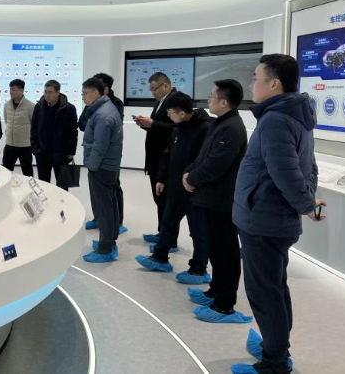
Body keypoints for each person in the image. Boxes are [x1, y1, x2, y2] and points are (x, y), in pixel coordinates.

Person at [230, 55, 326, 374]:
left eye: (256, 78)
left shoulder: (276, 119)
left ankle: (274, 362)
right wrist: (306, 203)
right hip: (272, 218)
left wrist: (306, 206)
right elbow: (308, 166)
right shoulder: (295, 114)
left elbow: (287, 173)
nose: (252, 85)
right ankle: (277, 348)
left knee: (265, 293)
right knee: (274, 287)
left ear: (273, 84)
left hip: (264, 221)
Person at [183, 79, 251, 324]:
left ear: (224, 102)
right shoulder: (219, 123)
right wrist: (188, 172)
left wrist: (192, 179)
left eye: (212, 96)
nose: (208, 100)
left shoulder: (231, 128)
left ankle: (224, 305)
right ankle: (215, 291)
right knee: (215, 249)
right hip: (209, 198)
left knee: (225, 252)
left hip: (221, 201)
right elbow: (203, 156)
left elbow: (215, 165)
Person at [135, 92, 211, 284]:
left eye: (170, 112)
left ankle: (199, 270)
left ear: (182, 113)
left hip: (194, 189)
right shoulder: (178, 128)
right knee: (168, 221)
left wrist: (192, 180)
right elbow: (168, 154)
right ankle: (160, 257)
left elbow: (203, 161)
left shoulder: (204, 129)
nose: (168, 116)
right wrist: (161, 177)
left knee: (198, 231)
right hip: (175, 186)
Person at [81, 77, 124, 263]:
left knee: (105, 208)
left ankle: (105, 248)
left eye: (85, 93)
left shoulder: (102, 115)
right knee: (110, 205)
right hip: (108, 166)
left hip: (101, 167)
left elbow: (100, 146)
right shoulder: (106, 108)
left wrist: (91, 166)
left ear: (95, 93)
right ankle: (109, 242)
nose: (82, 97)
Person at [134, 72, 176, 244]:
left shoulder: (174, 100)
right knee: (160, 200)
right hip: (155, 158)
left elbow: (175, 128)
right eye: (151, 89)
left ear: (165, 85)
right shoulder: (161, 101)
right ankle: (162, 234)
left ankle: (169, 240)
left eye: (154, 89)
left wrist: (152, 123)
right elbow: (159, 128)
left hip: (165, 159)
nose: (152, 92)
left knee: (165, 201)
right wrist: (146, 124)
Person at [30, 80, 78, 190]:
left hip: (61, 153)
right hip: (42, 153)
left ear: (58, 92)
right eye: (45, 92)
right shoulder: (39, 107)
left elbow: (73, 131)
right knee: (43, 184)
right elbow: (34, 128)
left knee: (62, 186)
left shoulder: (69, 108)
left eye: (50, 92)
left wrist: (71, 152)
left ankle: (63, 201)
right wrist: (35, 148)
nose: (47, 95)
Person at [2, 79, 35, 176]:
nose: (11, 92)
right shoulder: (7, 105)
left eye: (13, 89)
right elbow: (7, 121)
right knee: (6, 171)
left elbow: (34, 125)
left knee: (27, 172)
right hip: (10, 144)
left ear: (21, 91)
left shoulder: (30, 106)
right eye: (10, 89)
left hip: (25, 146)